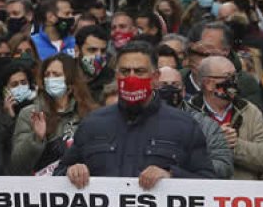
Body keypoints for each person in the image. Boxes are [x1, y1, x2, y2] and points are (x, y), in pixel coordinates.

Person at [57, 41, 215, 188]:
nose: (131, 78)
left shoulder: (184, 125)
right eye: (125, 71)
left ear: (155, 78)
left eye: (139, 71)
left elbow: (209, 182)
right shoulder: (93, 124)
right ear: (116, 75)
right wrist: (72, 171)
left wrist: (171, 176)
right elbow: (58, 175)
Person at [188, 56, 263, 179]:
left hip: (242, 194)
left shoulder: (249, 110)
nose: (234, 82)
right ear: (208, 84)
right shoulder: (187, 113)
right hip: (203, 192)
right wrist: (216, 143)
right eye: (228, 77)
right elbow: (180, 157)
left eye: (235, 76)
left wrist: (236, 145)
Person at [9, 54, 95, 176]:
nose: (50, 79)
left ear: (70, 79)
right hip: (42, 189)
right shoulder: (30, 113)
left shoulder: (89, 114)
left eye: (56, 75)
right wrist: (37, 138)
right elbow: (18, 164)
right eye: (47, 75)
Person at [155, 66, 233, 179]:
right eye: (163, 85)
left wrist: (177, 171)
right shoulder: (140, 120)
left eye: (175, 85)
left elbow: (224, 166)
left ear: (184, 90)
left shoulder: (205, 124)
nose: (170, 89)